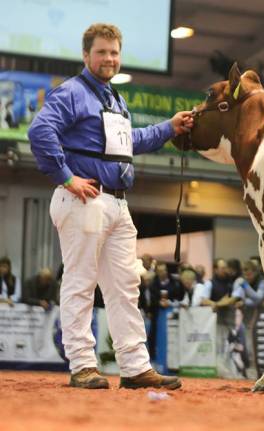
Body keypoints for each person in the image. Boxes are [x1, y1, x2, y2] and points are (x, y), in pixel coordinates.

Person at [27, 23, 193, 390]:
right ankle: (83, 365)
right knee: (81, 283)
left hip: (117, 203)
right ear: (86, 55)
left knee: (125, 287)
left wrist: (170, 127)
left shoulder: (114, 99)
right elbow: (40, 131)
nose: (109, 59)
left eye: (114, 52)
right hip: (83, 197)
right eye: (101, 52)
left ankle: (135, 367)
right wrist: (66, 177)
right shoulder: (71, 92)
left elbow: (130, 141)